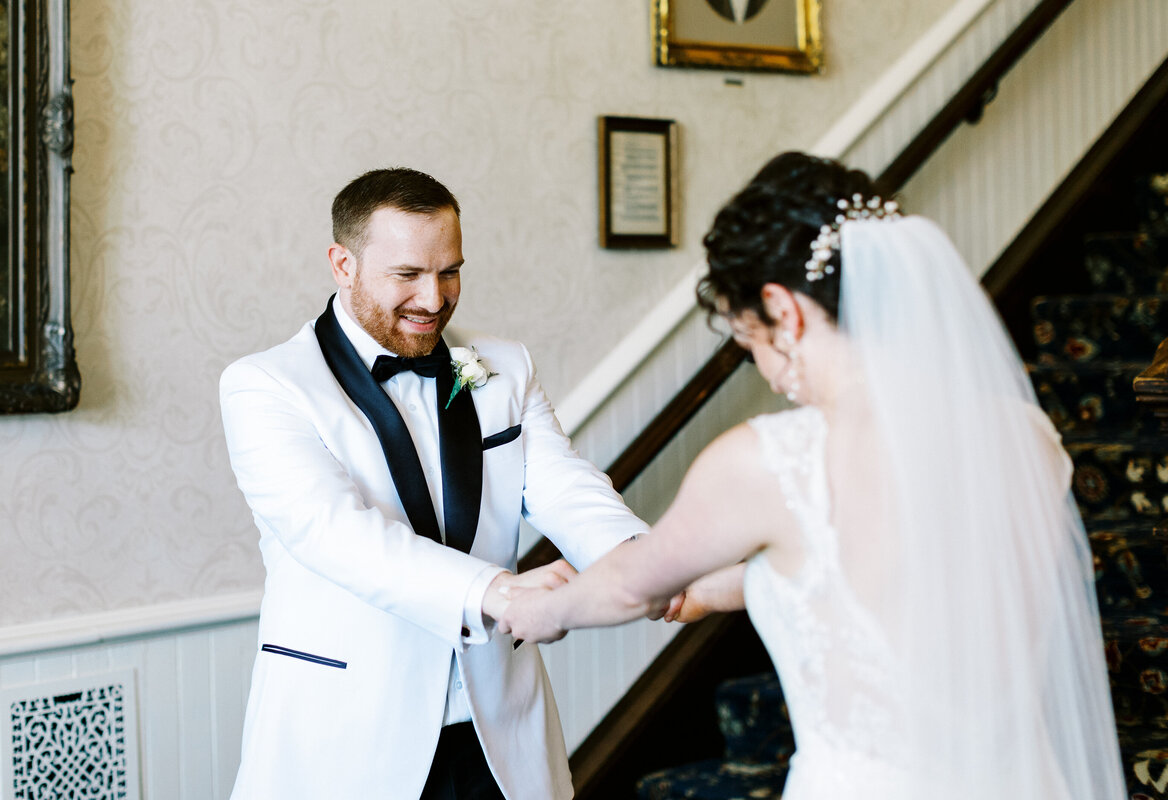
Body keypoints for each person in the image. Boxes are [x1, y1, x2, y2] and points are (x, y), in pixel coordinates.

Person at [499, 152, 1127, 799]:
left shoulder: (769, 459)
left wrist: (546, 609)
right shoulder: (1025, 435)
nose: (768, 376)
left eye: (750, 344)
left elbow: (632, 585)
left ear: (782, 310)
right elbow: (901, 574)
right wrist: (725, 589)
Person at [219, 167, 658, 799]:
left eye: (449, 271)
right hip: (349, 738)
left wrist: (643, 563)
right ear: (343, 265)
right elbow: (336, 535)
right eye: (407, 275)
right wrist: (501, 594)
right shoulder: (266, 386)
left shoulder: (504, 366)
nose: (434, 299)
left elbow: (565, 486)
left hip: (499, 735)